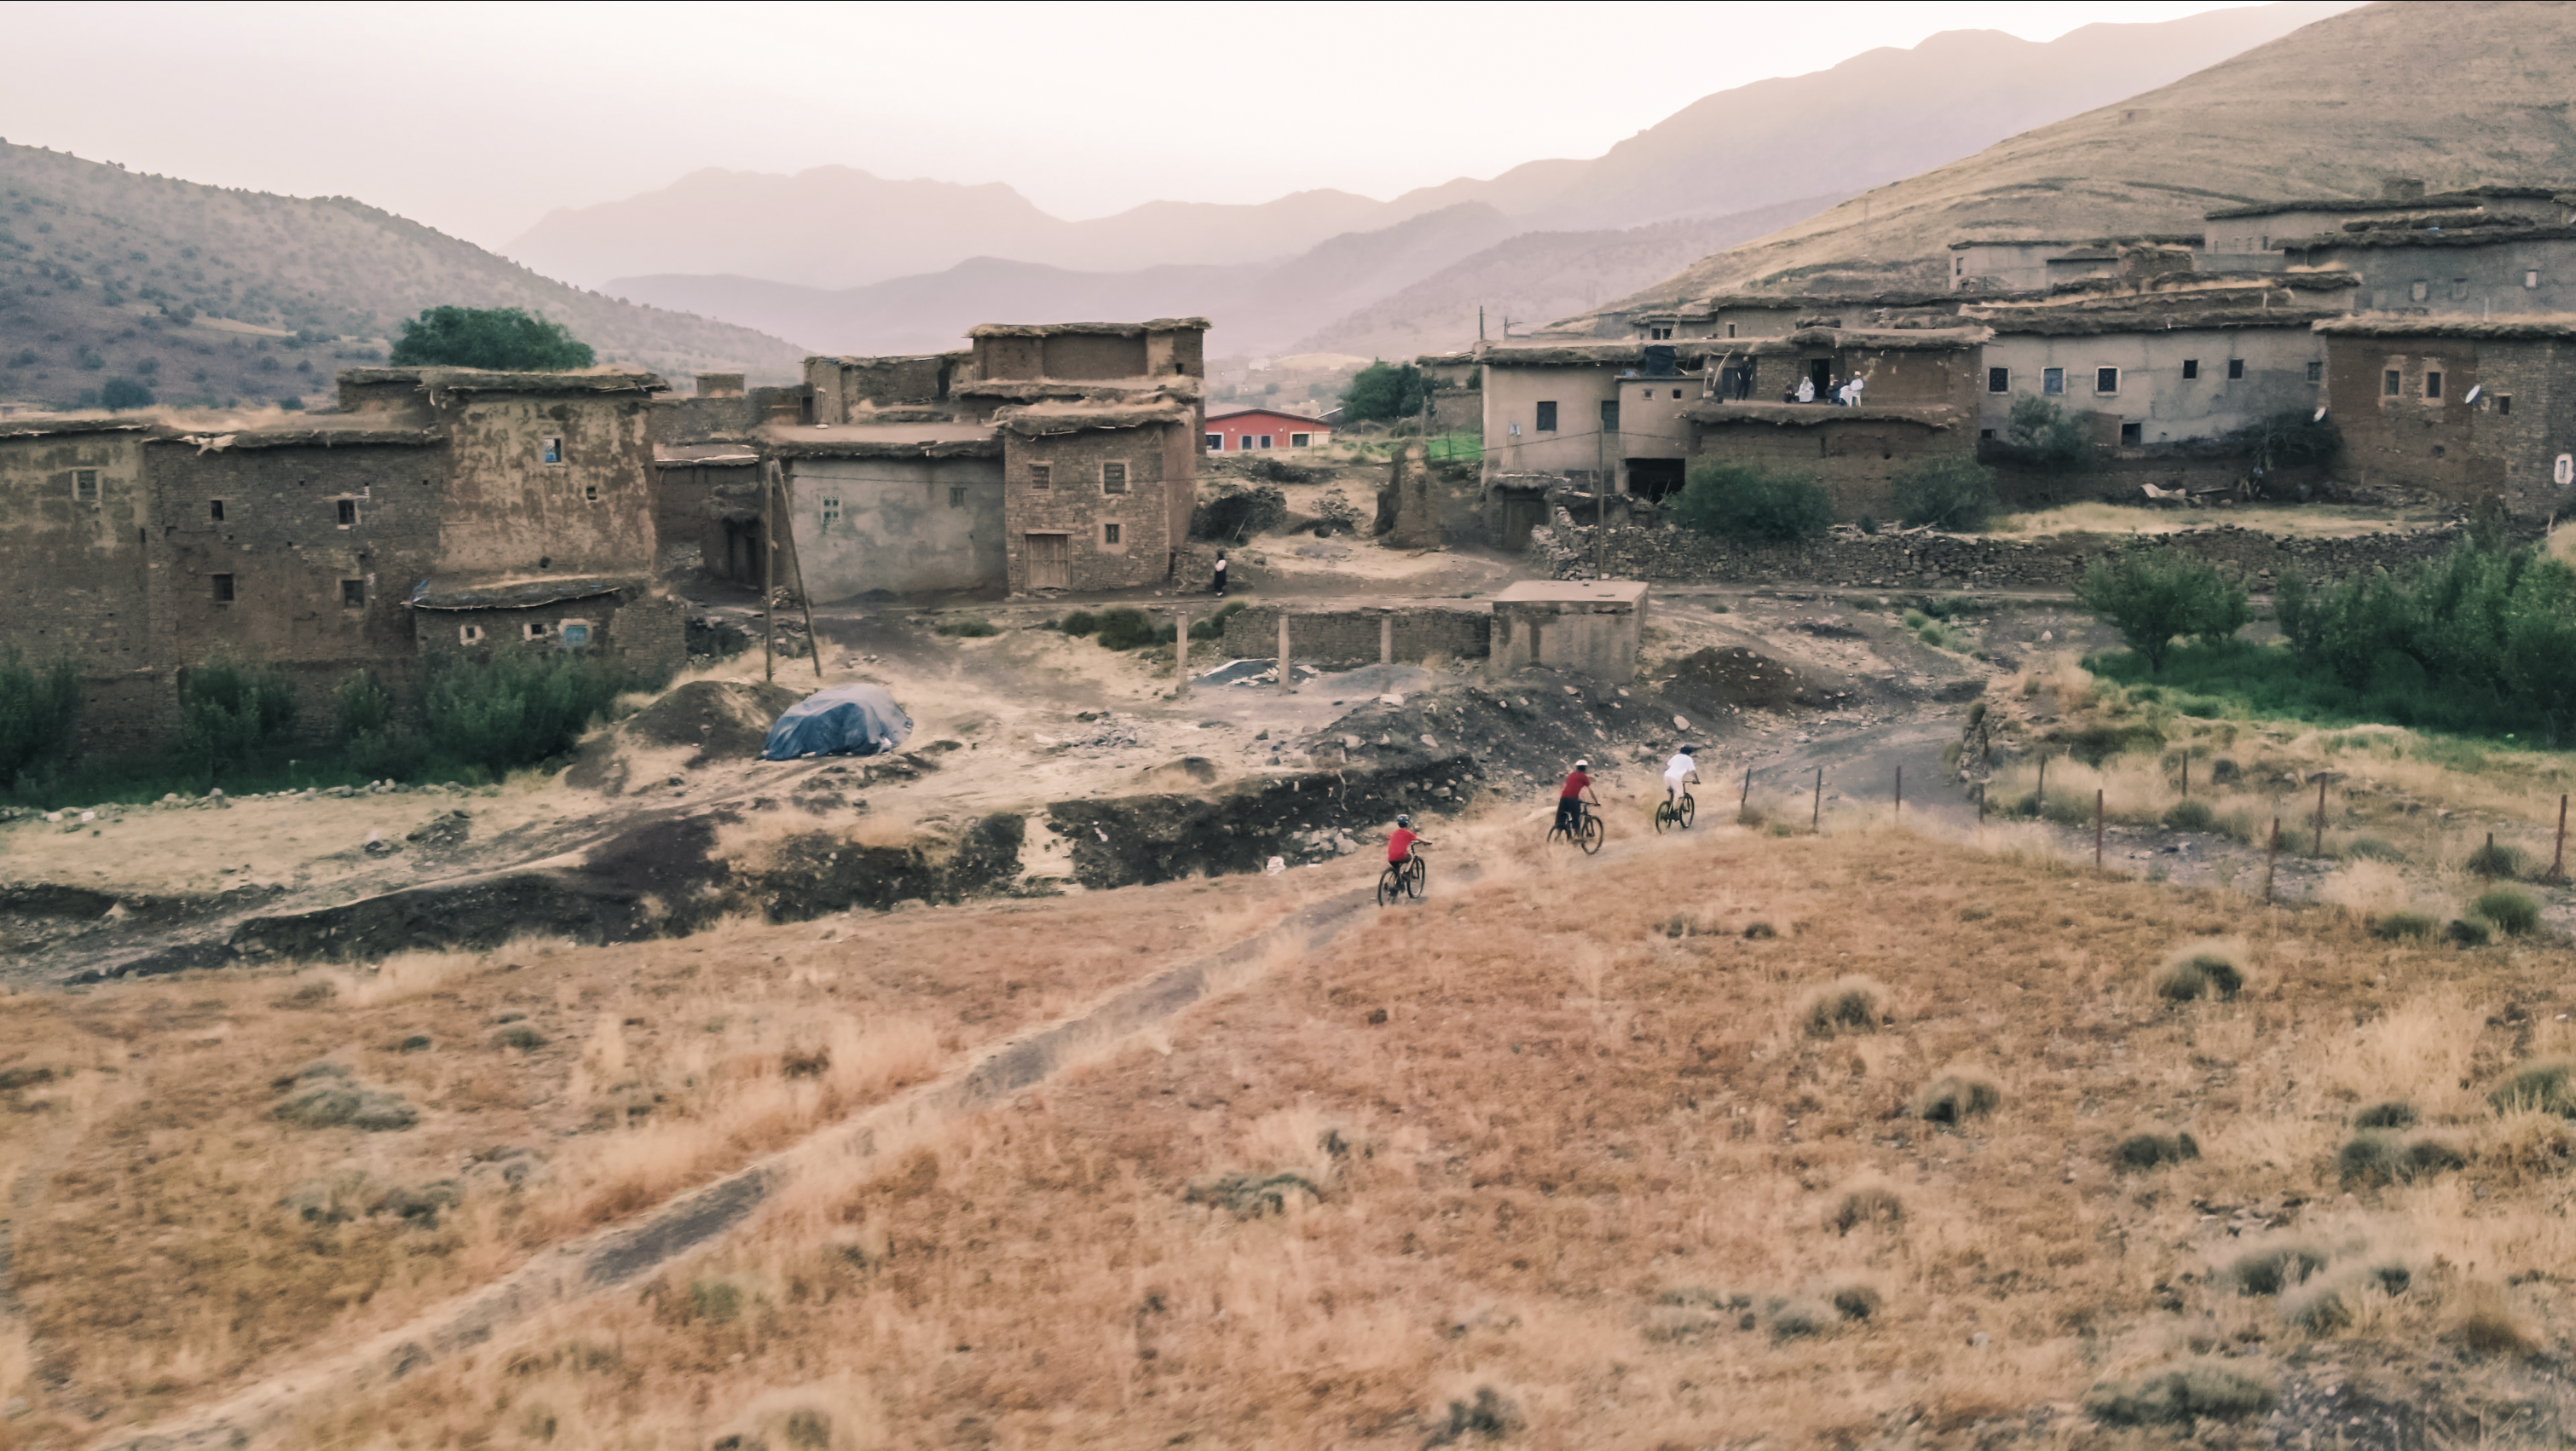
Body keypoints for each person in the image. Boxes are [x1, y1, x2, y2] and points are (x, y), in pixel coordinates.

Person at [1556, 758, 1596, 835]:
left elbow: (1571, 787)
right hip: (1572, 799)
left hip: (1563, 798)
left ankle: (1558, 836)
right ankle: (1578, 836)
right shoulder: (1584, 777)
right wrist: (1596, 801)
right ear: (1585, 768)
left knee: (1561, 817)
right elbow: (1590, 790)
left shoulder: (1571, 775)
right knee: (1576, 816)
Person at [1663, 744, 1700, 808]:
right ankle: (1676, 812)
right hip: (1676, 778)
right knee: (1681, 796)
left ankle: (1668, 807)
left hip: (1667, 776)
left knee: (1671, 792)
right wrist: (1696, 780)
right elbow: (1693, 771)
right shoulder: (1688, 759)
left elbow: (1668, 766)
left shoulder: (1675, 756)